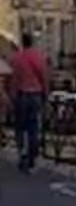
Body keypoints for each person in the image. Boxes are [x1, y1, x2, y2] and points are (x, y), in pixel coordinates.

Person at [6, 32, 45, 171]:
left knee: (20, 126)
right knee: (33, 125)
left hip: (21, 94)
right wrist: (45, 91)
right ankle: (32, 154)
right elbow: (43, 75)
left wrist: (11, 96)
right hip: (35, 93)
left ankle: (22, 151)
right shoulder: (37, 56)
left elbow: (13, 79)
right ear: (32, 42)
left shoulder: (17, 58)